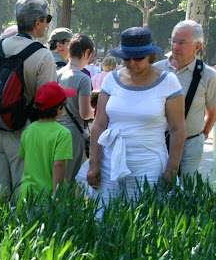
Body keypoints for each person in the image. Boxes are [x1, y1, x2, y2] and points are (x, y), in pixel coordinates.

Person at [77, 27, 186, 213]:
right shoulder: (111, 79)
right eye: (127, 58)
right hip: (110, 165)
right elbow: (99, 125)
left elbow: (177, 128)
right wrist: (94, 164)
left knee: (143, 220)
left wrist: (172, 168)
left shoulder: (168, 81)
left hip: (149, 167)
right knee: (105, 218)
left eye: (138, 58)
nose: (132, 63)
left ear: (150, 56)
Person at [0, 0, 57, 199]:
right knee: (24, 200)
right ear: (37, 22)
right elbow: (47, 104)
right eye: (47, 19)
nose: (47, 24)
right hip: (22, 132)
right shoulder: (42, 55)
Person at [154, 20, 216, 183]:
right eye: (173, 41)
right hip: (157, 142)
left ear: (197, 46)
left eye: (182, 43)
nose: (175, 47)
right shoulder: (156, 70)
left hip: (190, 145)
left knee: (185, 190)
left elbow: (212, 112)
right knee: (153, 189)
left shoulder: (208, 76)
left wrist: (201, 135)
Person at [18, 82, 74, 197]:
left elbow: (24, 159)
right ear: (59, 109)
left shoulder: (28, 130)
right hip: (47, 195)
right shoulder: (63, 133)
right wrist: (57, 195)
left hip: (27, 193)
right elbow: (59, 165)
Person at [56, 33, 95, 182]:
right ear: (86, 52)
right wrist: (95, 113)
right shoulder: (83, 79)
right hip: (74, 134)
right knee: (70, 181)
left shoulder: (58, 74)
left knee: (57, 179)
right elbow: (84, 113)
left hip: (56, 129)